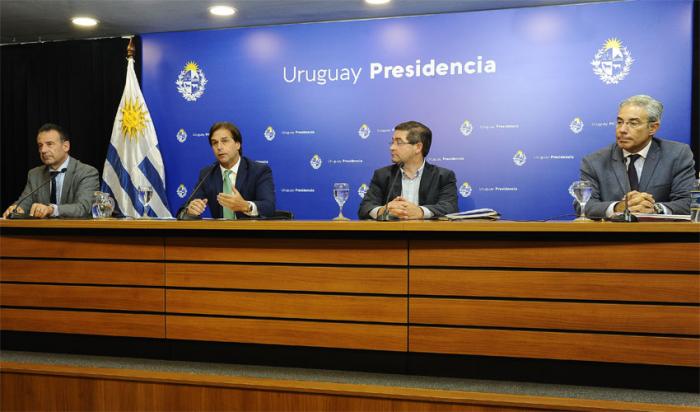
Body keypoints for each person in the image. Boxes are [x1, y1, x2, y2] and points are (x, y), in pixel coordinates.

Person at [578, 95, 696, 219]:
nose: (622, 129)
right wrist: (618, 207)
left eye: (633, 123)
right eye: (619, 122)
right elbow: (584, 204)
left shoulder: (677, 154)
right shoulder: (595, 161)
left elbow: (689, 201)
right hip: (612, 235)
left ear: (653, 128)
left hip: (661, 235)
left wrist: (655, 209)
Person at [358, 121, 458, 220]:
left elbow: (450, 207)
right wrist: (382, 210)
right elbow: (365, 208)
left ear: (418, 147)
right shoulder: (382, 175)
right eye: (392, 142)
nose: (392, 147)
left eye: (399, 142)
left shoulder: (443, 176)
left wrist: (420, 212)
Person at [3, 123, 99, 219]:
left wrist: (52, 210)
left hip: (75, 232)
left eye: (49, 144)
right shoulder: (34, 174)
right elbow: (24, 203)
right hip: (42, 233)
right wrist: (17, 209)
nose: (43, 150)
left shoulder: (87, 172)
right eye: (40, 145)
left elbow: (84, 208)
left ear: (66, 146)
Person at [181, 121, 275, 219]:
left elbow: (269, 207)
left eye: (224, 141)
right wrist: (190, 210)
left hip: (251, 233)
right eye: (215, 143)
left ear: (237, 144)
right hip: (220, 233)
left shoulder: (259, 171)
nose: (219, 147)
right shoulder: (207, 174)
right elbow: (183, 210)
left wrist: (246, 206)